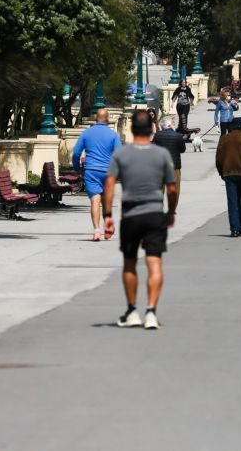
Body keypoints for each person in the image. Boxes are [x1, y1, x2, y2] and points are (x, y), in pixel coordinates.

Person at [103, 110, 177, 330]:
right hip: (155, 213)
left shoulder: (121, 155)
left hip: (130, 215)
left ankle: (132, 310)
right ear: (151, 129)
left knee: (129, 263)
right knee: (154, 262)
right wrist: (171, 211)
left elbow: (109, 185)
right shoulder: (162, 155)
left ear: (132, 129)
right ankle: (151, 312)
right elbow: (171, 188)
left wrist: (107, 216)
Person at [73, 108, 122, 241]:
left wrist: (77, 168)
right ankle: (108, 223)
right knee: (106, 200)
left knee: (95, 200)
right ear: (107, 119)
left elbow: (76, 153)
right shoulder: (113, 135)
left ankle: (96, 231)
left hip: (91, 171)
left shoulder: (86, 133)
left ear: (96, 119)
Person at [152, 116, 185, 200]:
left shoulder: (157, 136)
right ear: (170, 125)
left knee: (160, 190)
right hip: (175, 167)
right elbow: (182, 149)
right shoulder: (178, 136)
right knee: (174, 190)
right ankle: (172, 210)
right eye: (173, 123)